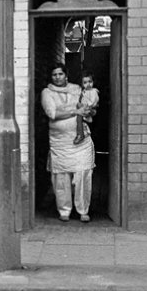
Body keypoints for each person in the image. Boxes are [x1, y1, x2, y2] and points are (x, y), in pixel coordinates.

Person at [40, 64, 95, 223]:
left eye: (60, 74)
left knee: (84, 173)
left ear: (66, 75)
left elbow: (87, 106)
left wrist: (87, 110)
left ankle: (83, 209)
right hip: (60, 142)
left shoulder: (77, 89)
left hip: (81, 140)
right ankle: (64, 210)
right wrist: (74, 111)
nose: (57, 77)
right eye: (54, 74)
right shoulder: (47, 92)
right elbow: (52, 113)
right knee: (61, 177)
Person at [73, 69, 100, 145]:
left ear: (93, 82)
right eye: (85, 82)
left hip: (88, 108)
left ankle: (80, 134)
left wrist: (83, 105)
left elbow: (93, 102)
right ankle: (80, 131)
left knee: (79, 117)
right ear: (82, 84)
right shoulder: (83, 91)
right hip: (83, 109)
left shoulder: (93, 91)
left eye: (90, 82)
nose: (88, 84)